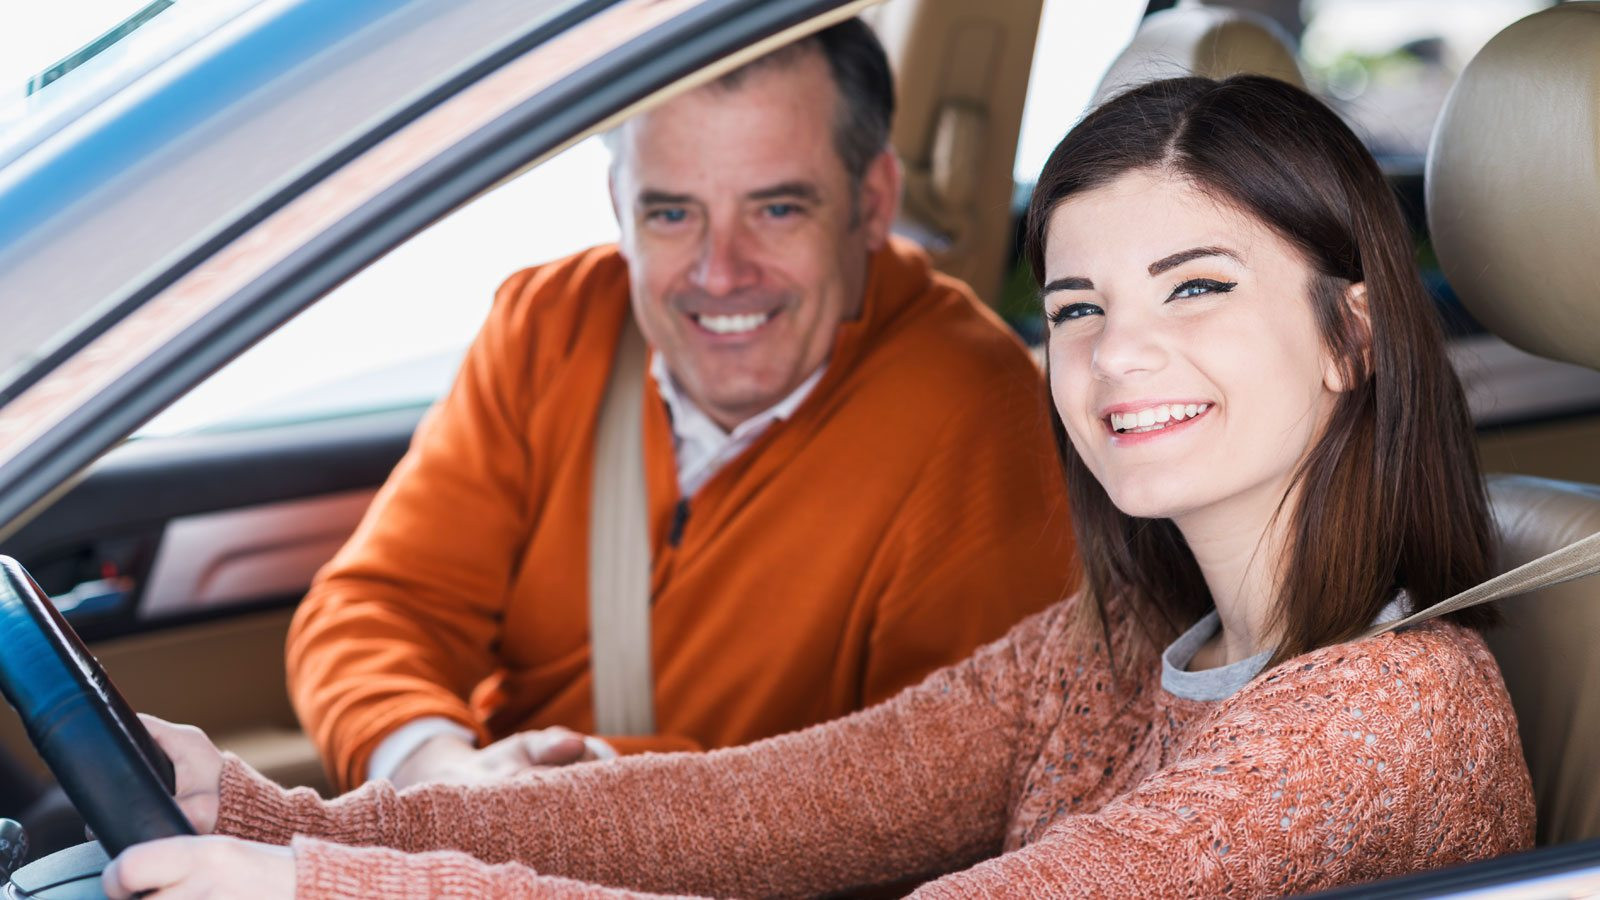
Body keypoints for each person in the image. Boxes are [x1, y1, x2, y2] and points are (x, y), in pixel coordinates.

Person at [104, 74, 1533, 898]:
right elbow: (743, 813)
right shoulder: (1104, 652)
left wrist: (334, 890)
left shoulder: (1378, 719)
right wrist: (267, 818)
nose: (1117, 357)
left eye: (1197, 287)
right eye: (1083, 305)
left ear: (1351, 333)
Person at [286, 19, 1077, 792]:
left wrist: (606, 792)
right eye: (671, 213)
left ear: (870, 204)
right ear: (618, 207)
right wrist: (443, 774)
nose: (720, 272)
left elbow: (949, 789)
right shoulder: (550, 325)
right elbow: (375, 609)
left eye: (776, 210)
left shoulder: (976, 414)